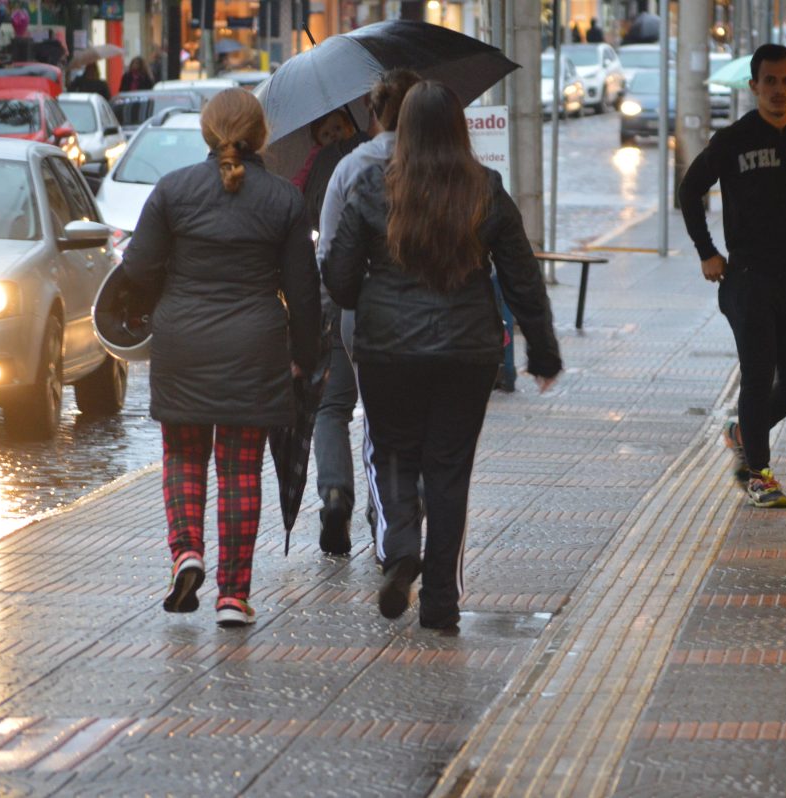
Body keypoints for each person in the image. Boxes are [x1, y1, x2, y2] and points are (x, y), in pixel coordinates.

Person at [322, 81, 562, 629]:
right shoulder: (486, 189)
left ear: (401, 128)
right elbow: (522, 277)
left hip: (386, 352)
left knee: (394, 454)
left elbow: (337, 278)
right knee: (450, 473)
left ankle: (402, 548)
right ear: (461, 128)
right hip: (466, 352)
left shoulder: (370, 186)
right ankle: (441, 604)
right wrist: (543, 352)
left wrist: (375, 299)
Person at [121, 88, 321, 626]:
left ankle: (186, 553)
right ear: (261, 136)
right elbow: (304, 293)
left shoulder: (172, 190)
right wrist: (305, 357)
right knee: (240, 471)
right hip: (254, 348)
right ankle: (233, 596)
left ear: (207, 134)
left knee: (183, 457)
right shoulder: (283, 199)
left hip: (183, 344)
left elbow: (137, 269)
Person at [678, 44, 786, 508]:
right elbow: (689, 190)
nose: (778, 90)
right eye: (769, 82)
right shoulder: (733, 139)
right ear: (754, 86)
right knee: (758, 373)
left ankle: (742, 431)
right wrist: (707, 252)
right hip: (748, 276)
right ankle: (758, 472)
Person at [313, 68, 421, 556]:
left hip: (353, 305)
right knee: (387, 415)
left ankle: (336, 491)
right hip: (421, 308)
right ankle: (387, 514)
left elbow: (329, 250)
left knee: (332, 406)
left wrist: (328, 308)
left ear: (374, 114)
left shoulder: (351, 166)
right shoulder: (437, 162)